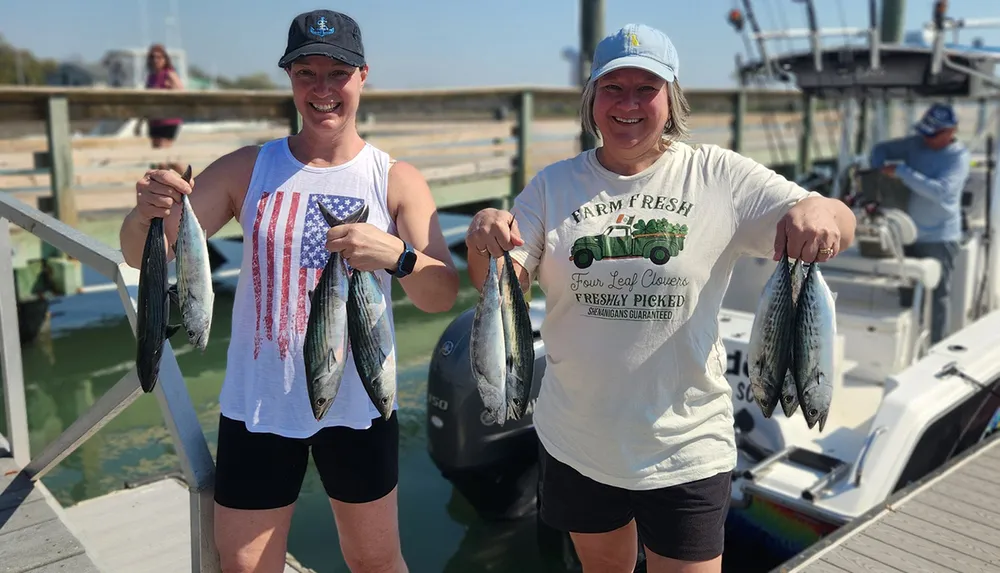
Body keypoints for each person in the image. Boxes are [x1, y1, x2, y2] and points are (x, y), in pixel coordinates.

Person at [464, 23, 856, 573]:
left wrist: (823, 210)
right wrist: (483, 233)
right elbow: (502, 280)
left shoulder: (719, 176)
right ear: (592, 100)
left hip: (686, 447)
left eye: (645, 89)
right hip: (577, 440)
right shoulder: (552, 186)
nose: (628, 103)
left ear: (671, 99)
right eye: (612, 88)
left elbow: (840, 220)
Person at [121, 9, 459, 573]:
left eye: (338, 73)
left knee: (376, 560)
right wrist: (145, 212)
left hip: (360, 401)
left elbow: (442, 294)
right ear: (290, 79)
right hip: (261, 404)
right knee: (247, 566)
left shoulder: (395, 178)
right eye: (307, 73)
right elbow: (141, 254)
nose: (322, 89)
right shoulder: (247, 169)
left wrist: (396, 256)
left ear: (363, 76)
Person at [870, 102, 971, 344]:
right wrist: (877, 174)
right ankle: (907, 341)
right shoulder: (916, 144)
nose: (926, 139)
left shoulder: (958, 158)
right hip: (908, 234)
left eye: (933, 134)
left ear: (951, 132)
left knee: (938, 296)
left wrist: (903, 171)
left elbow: (942, 192)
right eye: (924, 132)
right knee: (906, 291)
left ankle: (935, 345)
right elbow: (880, 149)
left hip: (940, 238)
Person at [144, 44, 184, 150]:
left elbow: (182, 92)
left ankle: (185, 167)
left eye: (159, 57)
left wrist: (171, 88)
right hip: (154, 120)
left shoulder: (170, 74)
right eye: (152, 57)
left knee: (165, 153)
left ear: (165, 59)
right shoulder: (150, 77)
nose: (155, 60)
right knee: (157, 154)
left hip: (169, 119)